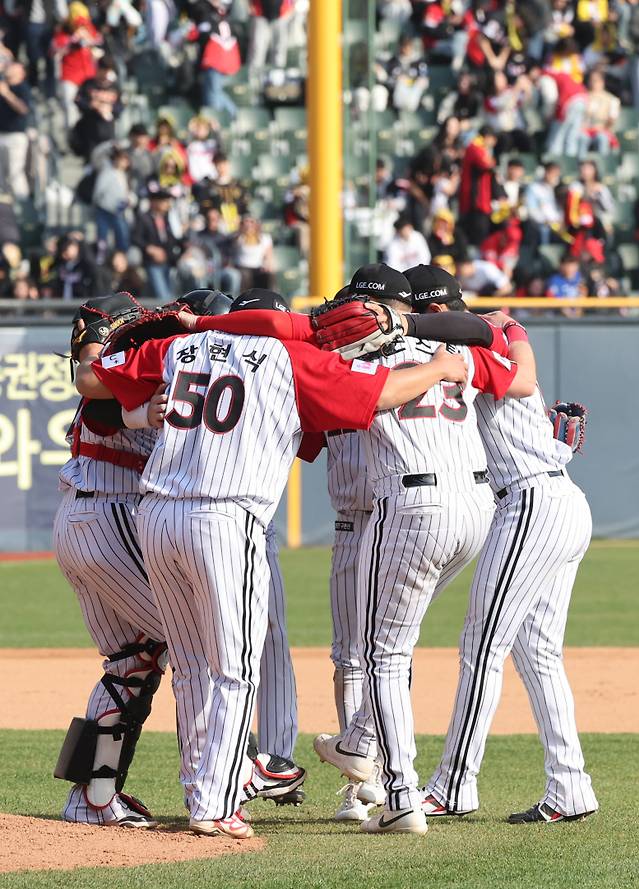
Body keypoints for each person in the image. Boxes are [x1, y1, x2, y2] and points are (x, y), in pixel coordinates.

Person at [75, 284, 470, 840]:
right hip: (226, 517)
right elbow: (382, 394)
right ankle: (218, 803)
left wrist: (103, 351)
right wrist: (441, 368)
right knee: (235, 667)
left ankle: (201, 793)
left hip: (158, 515)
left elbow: (90, 380)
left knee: (189, 666)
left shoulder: (182, 349)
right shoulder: (292, 356)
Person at [313, 263, 536, 835]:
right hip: (477, 506)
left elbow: (337, 387)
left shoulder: (363, 356)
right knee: (392, 643)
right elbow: (510, 364)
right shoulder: (454, 345)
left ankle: (401, 796)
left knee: (380, 655)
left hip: (410, 506)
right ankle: (360, 744)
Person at [408, 268, 599, 825]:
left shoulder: (478, 337)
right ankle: (571, 787)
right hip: (557, 499)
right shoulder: (487, 335)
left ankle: (453, 786)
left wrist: (409, 322)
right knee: (538, 653)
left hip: (531, 503)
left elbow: (501, 349)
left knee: (481, 644)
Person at [53, 293, 167, 829]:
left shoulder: (117, 376)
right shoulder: (108, 381)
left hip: (84, 520)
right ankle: (245, 767)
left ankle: (93, 794)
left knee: (130, 664)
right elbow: (97, 390)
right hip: (108, 516)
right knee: (198, 642)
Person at [132, 183, 181, 302]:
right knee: (163, 295)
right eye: (164, 201)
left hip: (168, 261)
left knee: (162, 290)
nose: (167, 204)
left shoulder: (167, 218)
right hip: (151, 262)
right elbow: (135, 238)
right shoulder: (144, 218)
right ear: (154, 202)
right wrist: (149, 248)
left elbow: (173, 239)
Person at [458, 125, 497, 246]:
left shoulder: (479, 148)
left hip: (480, 201)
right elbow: (487, 165)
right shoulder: (475, 148)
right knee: (476, 237)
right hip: (475, 202)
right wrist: (491, 160)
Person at [92, 145, 132, 257]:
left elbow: (127, 193)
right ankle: (101, 257)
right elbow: (98, 192)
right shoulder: (107, 172)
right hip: (104, 209)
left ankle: (121, 258)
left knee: (122, 235)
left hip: (120, 210)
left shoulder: (125, 175)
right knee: (102, 237)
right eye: (120, 159)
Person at [0, 61, 31, 198]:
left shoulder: (22, 88)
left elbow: (23, 109)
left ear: (21, 73)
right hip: (1, 134)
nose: (9, 68)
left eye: (13, 67)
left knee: (15, 174)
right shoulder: (2, 85)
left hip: (16, 136)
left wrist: (6, 94)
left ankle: (23, 209)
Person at [580, 67, 620, 155]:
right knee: (581, 138)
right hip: (585, 130)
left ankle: (603, 163)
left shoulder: (612, 99)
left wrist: (601, 127)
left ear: (602, 82)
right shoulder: (582, 97)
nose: (593, 83)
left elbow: (612, 120)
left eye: (596, 80)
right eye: (591, 80)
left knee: (602, 138)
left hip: (602, 130)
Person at [525, 162, 563, 245]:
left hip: (556, 225)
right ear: (546, 173)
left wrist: (559, 220)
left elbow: (557, 209)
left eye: (557, 175)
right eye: (553, 174)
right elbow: (531, 211)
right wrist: (545, 221)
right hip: (540, 225)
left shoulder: (554, 189)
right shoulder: (534, 188)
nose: (555, 177)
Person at [234, 216, 275, 291]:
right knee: (245, 275)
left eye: (251, 222)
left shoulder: (265, 238)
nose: (249, 225)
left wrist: (267, 265)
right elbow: (234, 244)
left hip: (258, 267)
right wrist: (241, 230)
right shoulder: (239, 237)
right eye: (246, 222)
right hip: (242, 267)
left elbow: (268, 256)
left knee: (268, 275)